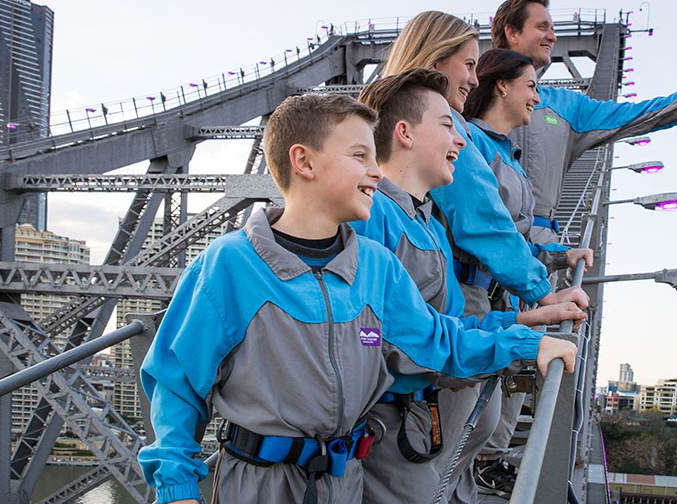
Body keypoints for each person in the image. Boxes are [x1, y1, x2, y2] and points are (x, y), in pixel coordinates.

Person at [137, 93, 579, 504]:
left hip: (344, 481)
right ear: (303, 161)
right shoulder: (230, 265)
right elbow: (177, 385)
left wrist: (525, 341)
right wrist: (177, 488)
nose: (375, 170)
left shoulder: (374, 266)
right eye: (359, 156)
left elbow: (438, 343)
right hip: (260, 485)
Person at [351, 69, 588, 504]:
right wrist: (519, 344)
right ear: (404, 133)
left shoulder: (427, 225)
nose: (461, 140)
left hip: (414, 420)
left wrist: (524, 319)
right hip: (384, 423)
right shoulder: (371, 220)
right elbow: (398, 340)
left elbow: (451, 323)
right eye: (447, 126)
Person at [491, 0, 677, 248]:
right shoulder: (467, 91)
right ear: (512, 33)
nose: (552, 37)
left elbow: (639, 116)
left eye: (553, 29)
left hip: (537, 251)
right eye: (542, 27)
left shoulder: (568, 106)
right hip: (476, 245)